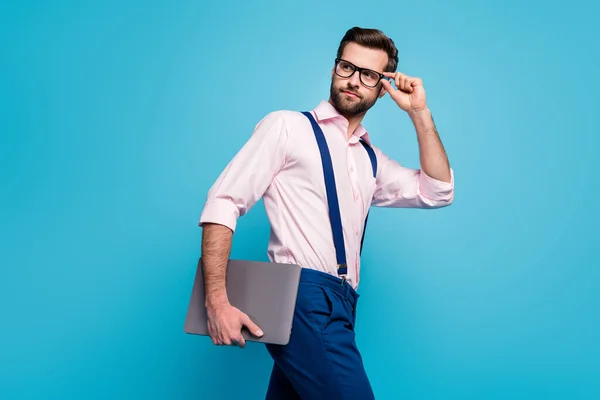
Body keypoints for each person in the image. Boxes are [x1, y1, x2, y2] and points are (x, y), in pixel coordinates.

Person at [197, 26, 454, 399]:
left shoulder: (370, 159)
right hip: (303, 300)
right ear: (335, 68)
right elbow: (223, 202)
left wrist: (420, 113)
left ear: (383, 86)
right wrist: (216, 300)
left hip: (344, 305)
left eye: (369, 75)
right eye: (347, 67)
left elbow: (438, 191)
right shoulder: (287, 127)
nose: (353, 81)